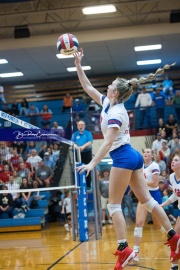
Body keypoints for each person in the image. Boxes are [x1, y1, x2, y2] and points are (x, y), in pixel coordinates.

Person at [73, 50, 180, 269]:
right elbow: (87, 87)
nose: (108, 86)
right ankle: (174, 237)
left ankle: (124, 249)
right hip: (132, 155)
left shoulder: (117, 113)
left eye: (111, 84)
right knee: (149, 201)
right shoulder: (107, 103)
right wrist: (77, 64)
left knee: (113, 205)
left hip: (122, 156)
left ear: (115, 92)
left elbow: (107, 143)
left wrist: (92, 163)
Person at [133, 148, 162, 261]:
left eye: (148, 152)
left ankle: (172, 242)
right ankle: (135, 252)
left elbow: (155, 184)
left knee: (158, 225)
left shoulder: (154, 166)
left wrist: (142, 183)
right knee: (139, 222)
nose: (146, 153)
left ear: (152, 155)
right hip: (144, 195)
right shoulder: (140, 167)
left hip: (154, 195)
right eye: (144, 152)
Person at [161, 153, 180, 270]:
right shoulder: (172, 177)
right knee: (174, 239)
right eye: (172, 160)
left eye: (176, 160)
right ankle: (174, 266)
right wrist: (162, 205)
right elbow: (175, 195)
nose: (173, 161)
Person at [71, 120, 93, 188]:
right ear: (77, 126)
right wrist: (77, 147)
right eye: (79, 125)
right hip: (77, 153)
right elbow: (72, 143)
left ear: (84, 126)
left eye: (82, 125)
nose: (80, 126)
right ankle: (79, 184)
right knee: (78, 168)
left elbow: (90, 142)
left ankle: (88, 185)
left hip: (87, 153)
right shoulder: (74, 134)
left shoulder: (88, 133)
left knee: (87, 168)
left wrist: (83, 146)